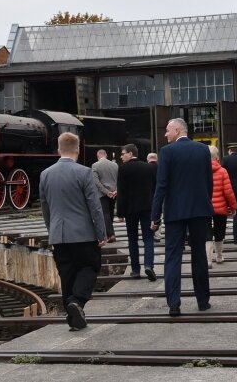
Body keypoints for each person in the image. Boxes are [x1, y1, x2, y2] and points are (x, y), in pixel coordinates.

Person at [40, 132, 106, 331]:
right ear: (77, 149)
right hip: (84, 233)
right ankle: (77, 301)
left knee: (67, 274)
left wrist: (52, 231)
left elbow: (45, 207)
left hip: (59, 235)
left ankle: (73, 319)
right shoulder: (84, 172)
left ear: (59, 149)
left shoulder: (45, 174)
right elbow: (94, 205)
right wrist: (101, 232)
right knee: (91, 266)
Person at [151, 118, 214, 316]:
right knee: (199, 256)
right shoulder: (203, 150)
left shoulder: (167, 152)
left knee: (172, 257)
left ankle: (174, 304)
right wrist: (205, 204)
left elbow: (161, 186)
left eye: (168, 130)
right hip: (200, 211)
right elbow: (208, 182)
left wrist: (155, 216)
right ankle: (203, 301)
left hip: (175, 213)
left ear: (178, 130)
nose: (165, 134)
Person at [116, 144, 157, 281]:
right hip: (147, 207)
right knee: (148, 238)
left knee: (132, 239)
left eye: (123, 153)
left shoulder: (123, 169)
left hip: (130, 209)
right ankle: (149, 265)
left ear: (130, 153)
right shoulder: (148, 167)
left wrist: (120, 213)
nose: (121, 156)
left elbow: (121, 192)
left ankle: (135, 270)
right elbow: (154, 188)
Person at [208, 145, 237, 267]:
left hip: (205, 208)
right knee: (220, 232)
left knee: (206, 234)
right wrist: (233, 206)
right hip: (220, 208)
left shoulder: (200, 170)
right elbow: (228, 191)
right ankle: (219, 256)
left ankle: (208, 260)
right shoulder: (222, 171)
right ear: (217, 158)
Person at [91, 149, 118, 243]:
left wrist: (106, 192)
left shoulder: (95, 165)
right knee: (110, 213)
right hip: (114, 193)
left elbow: (96, 182)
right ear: (106, 155)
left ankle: (110, 234)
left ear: (98, 156)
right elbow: (119, 179)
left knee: (105, 213)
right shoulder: (115, 165)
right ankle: (109, 233)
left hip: (102, 194)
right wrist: (115, 191)